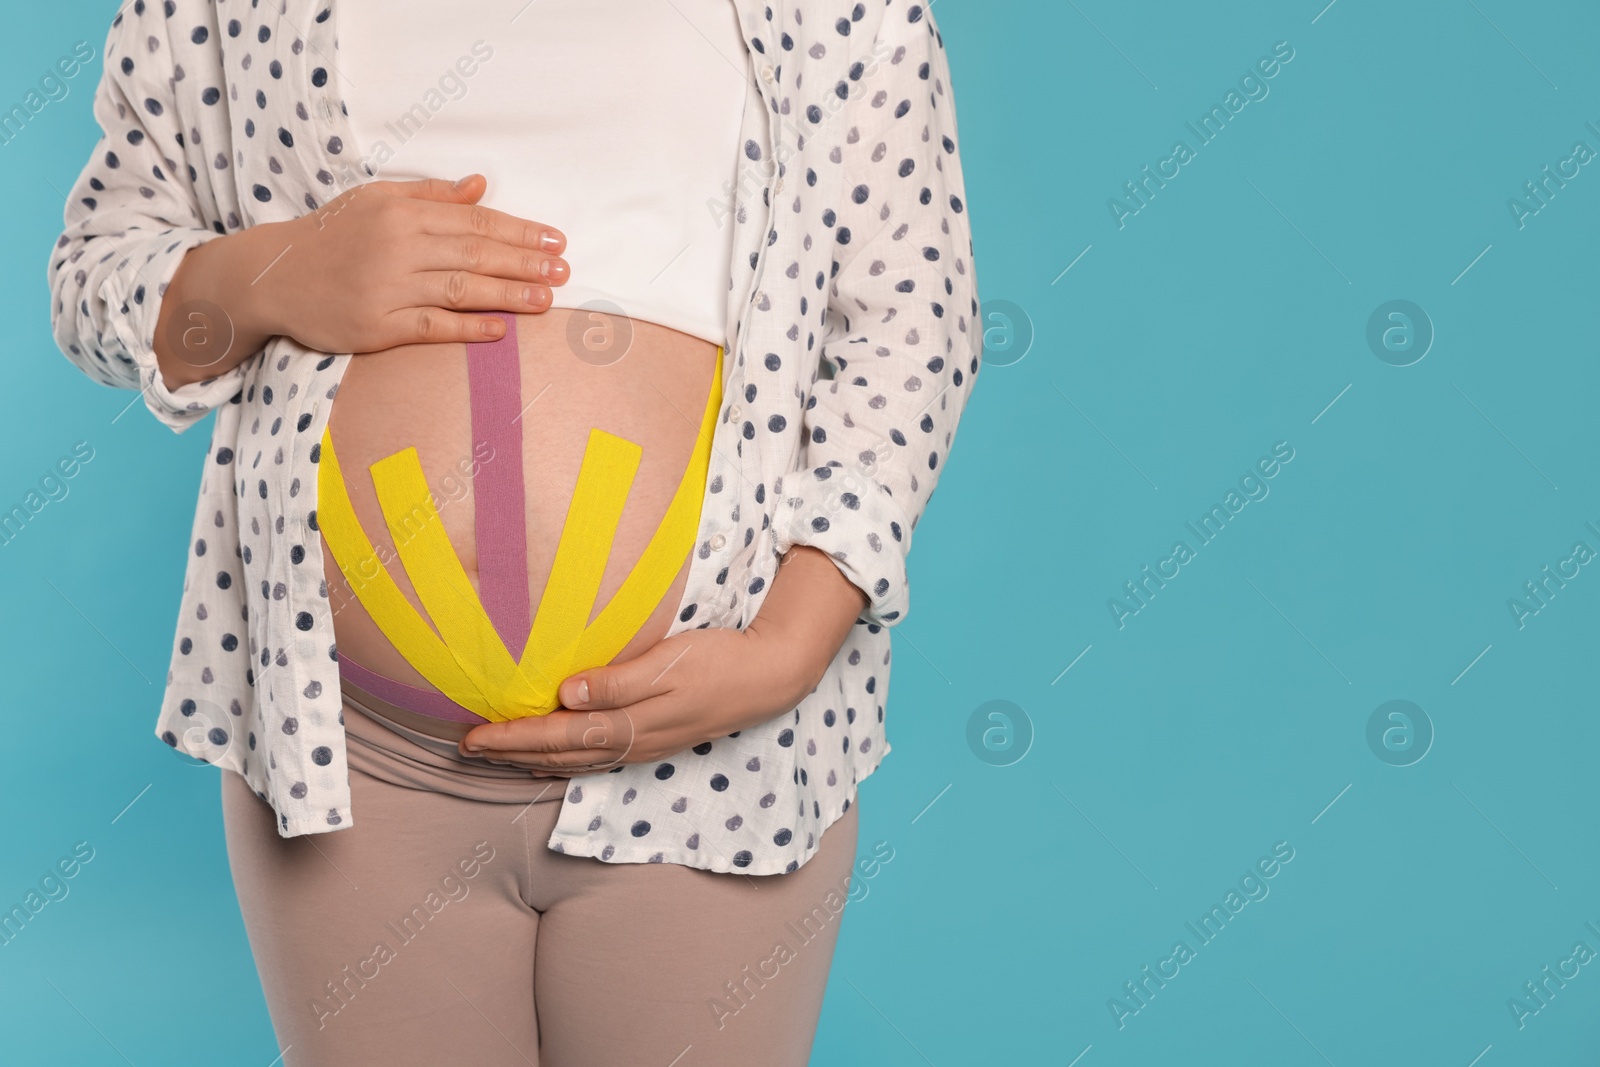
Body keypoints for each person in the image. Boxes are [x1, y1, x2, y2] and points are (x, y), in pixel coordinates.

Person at [47, 0, 979, 1063]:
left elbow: (916, 324)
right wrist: (275, 272)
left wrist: (790, 645)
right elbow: (94, 282)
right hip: (353, 761)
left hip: (715, 762)